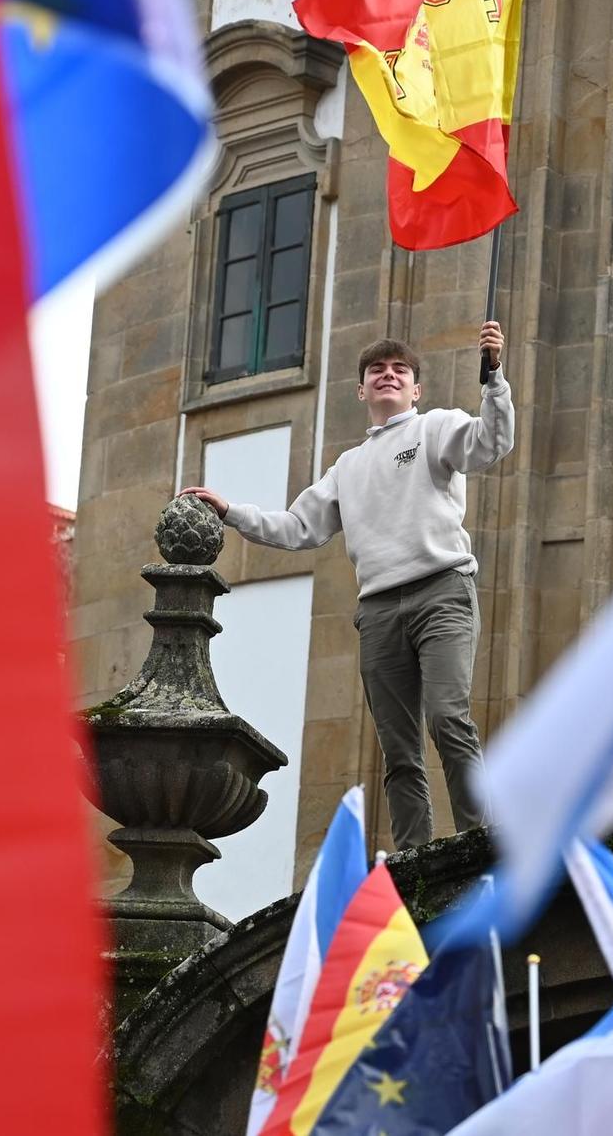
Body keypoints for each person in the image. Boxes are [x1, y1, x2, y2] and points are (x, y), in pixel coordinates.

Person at [182, 322, 513, 852]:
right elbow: (296, 528)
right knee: (398, 751)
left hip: (441, 592)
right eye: (376, 371)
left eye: (399, 370)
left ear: (415, 389)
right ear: (361, 391)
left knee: (449, 718)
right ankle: (413, 859)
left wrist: (493, 378)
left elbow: (490, 443)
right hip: (380, 609)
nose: (388, 375)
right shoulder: (348, 468)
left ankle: (479, 844)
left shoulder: (435, 428)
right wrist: (231, 512)